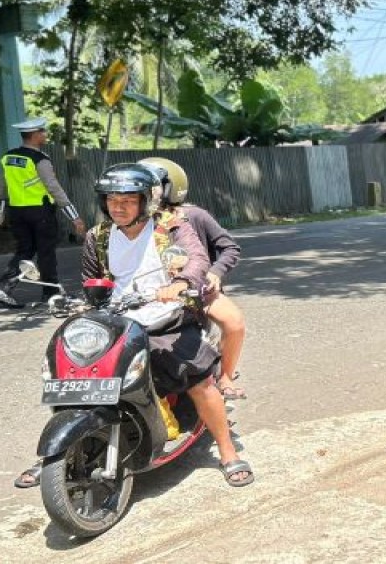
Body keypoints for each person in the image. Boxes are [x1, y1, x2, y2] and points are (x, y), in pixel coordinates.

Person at [14, 164, 252, 489]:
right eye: (112, 200)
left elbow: (196, 259)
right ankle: (58, 452)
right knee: (75, 375)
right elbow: (91, 280)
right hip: (119, 320)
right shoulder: (98, 236)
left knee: (198, 382)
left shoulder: (171, 227)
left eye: (127, 200)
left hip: (166, 318)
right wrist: (88, 300)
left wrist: (181, 283)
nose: (118, 207)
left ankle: (227, 452)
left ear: (146, 201)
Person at [138, 157, 248, 400]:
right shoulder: (129, 223)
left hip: (196, 291)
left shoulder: (193, 215)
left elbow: (229, 247)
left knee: (234, 322)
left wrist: (215, 272)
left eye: (152, 187)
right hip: (148, 295)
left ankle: (226, 376)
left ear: (169, 188)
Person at [0, 117, 86, 308]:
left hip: (17, 212)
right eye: (43, 132)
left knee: (24, 251)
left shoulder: (9, 157)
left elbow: (1, 187)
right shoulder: (40, 160)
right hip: (40, 213)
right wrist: (74, 217)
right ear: (34, 135)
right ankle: (51, 293)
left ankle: (2, 289)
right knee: (46, 253)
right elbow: (54, 189)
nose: (45, 135)